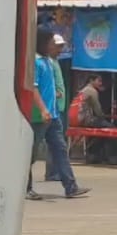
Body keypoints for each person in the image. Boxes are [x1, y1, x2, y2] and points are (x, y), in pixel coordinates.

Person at [27, 28, 91, 201]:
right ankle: (26, 187)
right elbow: (33, 88)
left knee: (61, 150)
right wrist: (42, 109)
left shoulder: (48, 61)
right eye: (50, 43)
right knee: (31, 153)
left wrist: (55, 96)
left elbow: (47, 86)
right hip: (39, 116)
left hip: (52, 115)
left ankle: (70, 186)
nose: (52, 46)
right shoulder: (35, 61)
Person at [45, 34, 67, 182]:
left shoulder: (55, 62)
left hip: (58, 107)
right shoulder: (46, 62)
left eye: (61, 46)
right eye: (58, 46)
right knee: (56, 143)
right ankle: (53, 172)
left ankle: (55, 172)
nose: (60, 49)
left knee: (57, 143)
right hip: (51, 108)